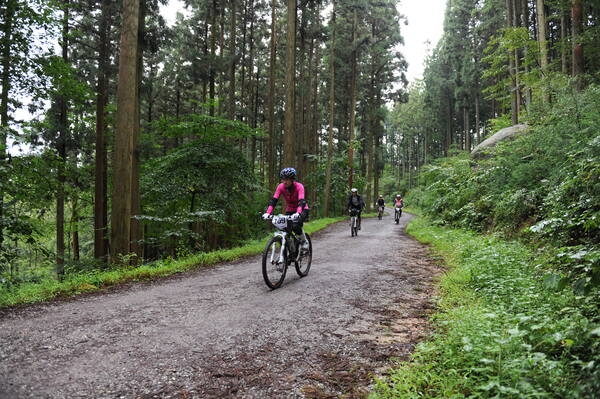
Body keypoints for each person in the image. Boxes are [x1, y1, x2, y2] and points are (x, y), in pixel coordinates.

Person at [262, 167, 310, 250]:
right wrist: (268, 213)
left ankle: (304, 241)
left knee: (295, 226)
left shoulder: (299, 186)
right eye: (283, 179)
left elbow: (301, 201)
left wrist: (298, 213)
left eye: (287, 179)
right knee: (285, 228)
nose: (284, 181)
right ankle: (289, 247)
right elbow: (274, 200)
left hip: (302, 209)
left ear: (292, 180)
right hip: (290, 209)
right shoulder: (280, 187)